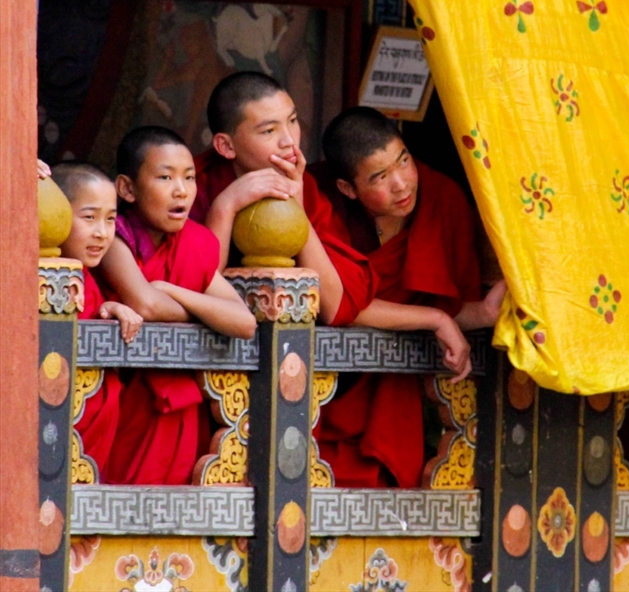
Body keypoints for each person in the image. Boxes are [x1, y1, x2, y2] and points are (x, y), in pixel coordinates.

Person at [190, 72, 473, 373]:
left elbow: (337, 306)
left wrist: (297, 205)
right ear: (226, 146)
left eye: (293, 121)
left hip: (289, 366)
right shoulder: (192, 187)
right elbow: (199, 287)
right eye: (269, 130)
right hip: (206, 361)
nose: (289, 141)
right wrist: (226, 205)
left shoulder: (308, 190)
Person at [317, 106, 505, 488]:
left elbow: (443, 306)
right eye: (380, 177)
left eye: (404, 161)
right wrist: (435, 320)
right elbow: (341, 306)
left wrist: (484, 313)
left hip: (396, 395)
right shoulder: (322, 204)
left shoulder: (443, 200)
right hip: (325, 388)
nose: (402, 184)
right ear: (348, 189)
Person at [97, 126, 256, 485]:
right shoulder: (113, 238)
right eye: (165, 177)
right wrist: (205, 313)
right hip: (126, 402)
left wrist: (173, 290)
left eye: (189, 177)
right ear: (127, 189)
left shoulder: (193, 244)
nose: (181, 190)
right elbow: (147, 305)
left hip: (181, 410)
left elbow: (244, 323)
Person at [50, 163, 143, 475]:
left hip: (91, 442)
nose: (102, 233)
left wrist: (111, 308)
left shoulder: (90, 281)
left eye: (111, 219)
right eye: (89, 217)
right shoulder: (34, 277)